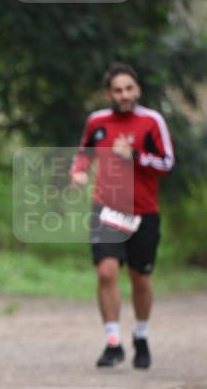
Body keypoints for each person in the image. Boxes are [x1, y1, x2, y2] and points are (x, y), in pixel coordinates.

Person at [71, 63, 174, 369]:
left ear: (137, 90)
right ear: (109, 93)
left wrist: (136, 157)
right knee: (106, 272)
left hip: (143, 211)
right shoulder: (97, 121)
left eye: (129, 88)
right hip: (107, 207)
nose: (124, 94)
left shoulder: (152, 121)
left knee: (140, 277)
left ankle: (140, 335)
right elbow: (83, 153)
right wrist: (78, 173)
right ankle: (112, 341)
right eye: (118, 90)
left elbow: (167, 164)